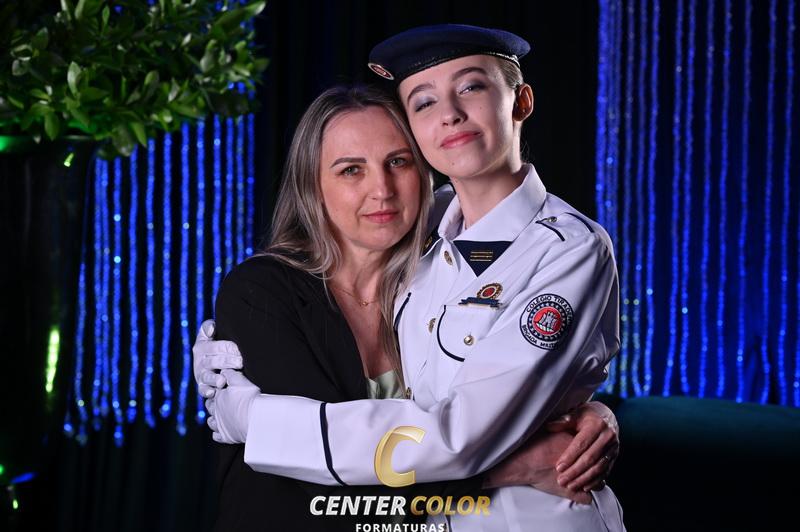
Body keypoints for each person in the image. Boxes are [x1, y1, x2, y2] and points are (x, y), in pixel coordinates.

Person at [196, 24, 624, 531]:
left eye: (471, 86)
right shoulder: (428, 237)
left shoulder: (565, 248)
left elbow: (461, 435)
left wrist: (256, 421)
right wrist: (520, 457)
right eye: (424, 103)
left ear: (521, 101)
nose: (450, 114)